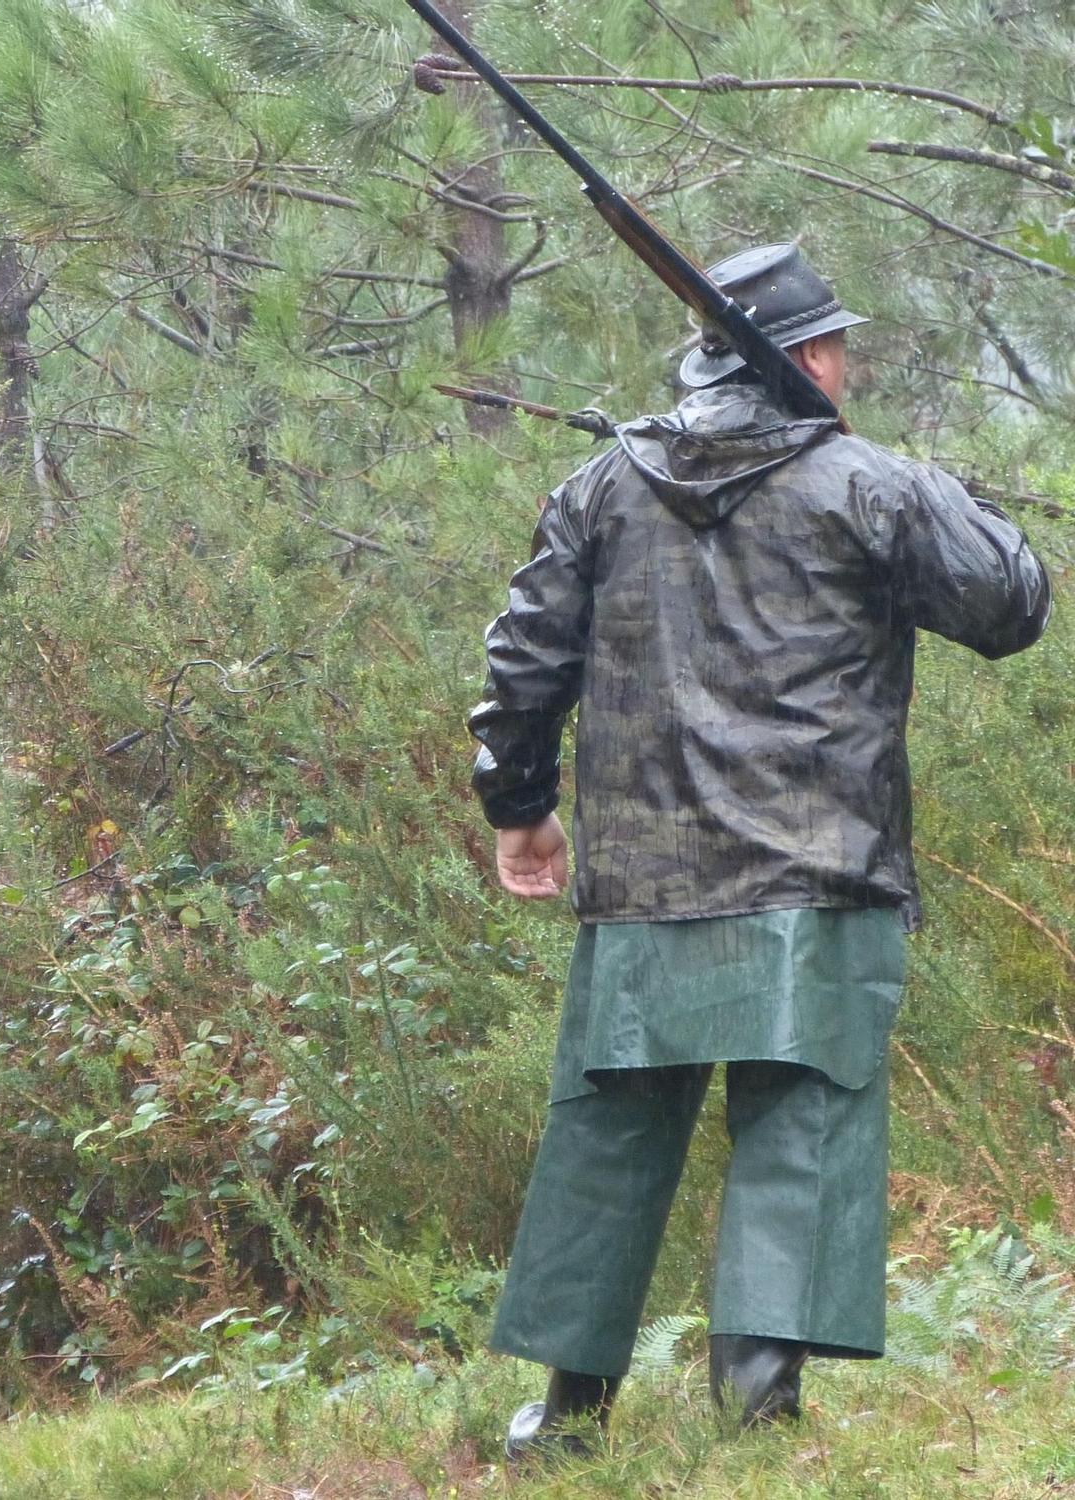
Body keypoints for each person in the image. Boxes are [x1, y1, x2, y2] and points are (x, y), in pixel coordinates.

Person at [468, 242, 1051, 1457]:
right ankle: (755, 1404)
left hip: (643, 882)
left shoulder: (598, 489)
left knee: (609, 1126)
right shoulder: (866, 484)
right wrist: (927, 483)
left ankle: (565, 1420)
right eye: (837, 347)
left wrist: (517, 806)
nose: (848, 363)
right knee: (801, 1123)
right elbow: (1009, 602)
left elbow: (522, 663)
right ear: (804, 362)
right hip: (816, 873)